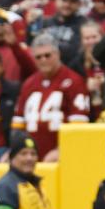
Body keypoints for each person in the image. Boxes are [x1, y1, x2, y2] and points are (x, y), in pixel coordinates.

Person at [12, 33, 89, 161]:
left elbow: (79, 126)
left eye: (48, 55)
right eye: (38, 57)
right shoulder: (28, 84)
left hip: (61, 156)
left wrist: (61, 150)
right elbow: (18, 126)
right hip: (31, 155)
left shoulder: (74, 81)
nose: (43, 60)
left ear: (57, 54)